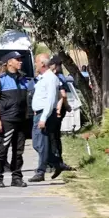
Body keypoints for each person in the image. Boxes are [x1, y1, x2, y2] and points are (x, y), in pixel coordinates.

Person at [0, 52, 30, 188]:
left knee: (18, 151)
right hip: (7, 120)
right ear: (9, 62)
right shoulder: (0, 79)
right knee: (3, 150)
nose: (20, 62)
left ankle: (16, 177)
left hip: (21, 120)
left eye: (20, 59)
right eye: (17, 59)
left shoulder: (24, 79)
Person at [30, 54, 63, 182]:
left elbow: (50, 100)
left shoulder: (50, 78)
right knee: (36, 144)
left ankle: (41, 171)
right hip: (38, 113)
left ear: (43, 64)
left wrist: (43, 118)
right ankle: (56, 163)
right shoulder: (43, 78)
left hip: (45, 114)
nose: (35, 65)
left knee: (42, 144)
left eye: (37, 62)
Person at [50, 56, 74, 172]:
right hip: (59, 109)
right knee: (55, 137)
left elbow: (62, 95)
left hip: (56, 109)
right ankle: (57, 161)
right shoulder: (60, 77)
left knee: (53, 137)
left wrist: (64, 106)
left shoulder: (57, 77)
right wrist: (67, 106)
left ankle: (56, 162)